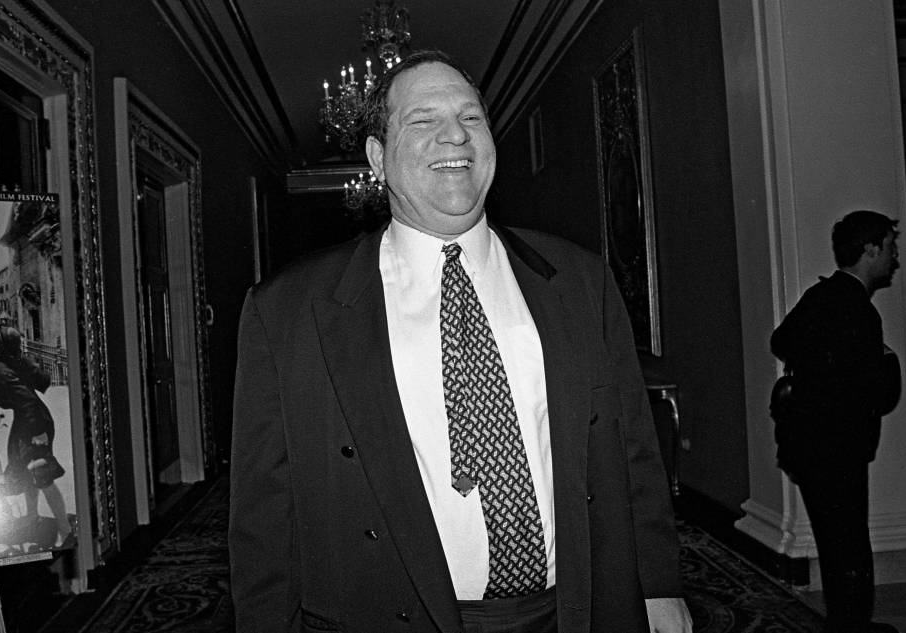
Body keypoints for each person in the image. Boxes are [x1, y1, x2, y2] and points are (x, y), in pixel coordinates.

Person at [230, 50, 690, 633]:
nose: (455, 135)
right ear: (377, 158)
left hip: (576, 608)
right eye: (422, 121)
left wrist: (658, 586)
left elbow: (632, 448)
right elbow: (263, 516)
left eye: (472, 118)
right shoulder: (288, 311)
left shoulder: (578, 280)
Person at [770, 210, 902, 633]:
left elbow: (782, 340)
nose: (895, 258)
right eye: (890, 247)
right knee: (848, 543)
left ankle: (846, 624)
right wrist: (884, 360)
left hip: (809, 444)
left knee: (835, 540)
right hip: (838, 446)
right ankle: (853, 627)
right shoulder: (856, 308)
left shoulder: (821, 295)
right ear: (869, 249)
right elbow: (872, 391)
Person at [0, 325, 71, 547]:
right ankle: (32, 516)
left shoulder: (0, 371)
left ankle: (66, 531)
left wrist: (38, 433)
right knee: (28, 471)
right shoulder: (10, 362)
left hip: (33, 423)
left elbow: (27, 402)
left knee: (42, 475)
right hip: (29, 421)